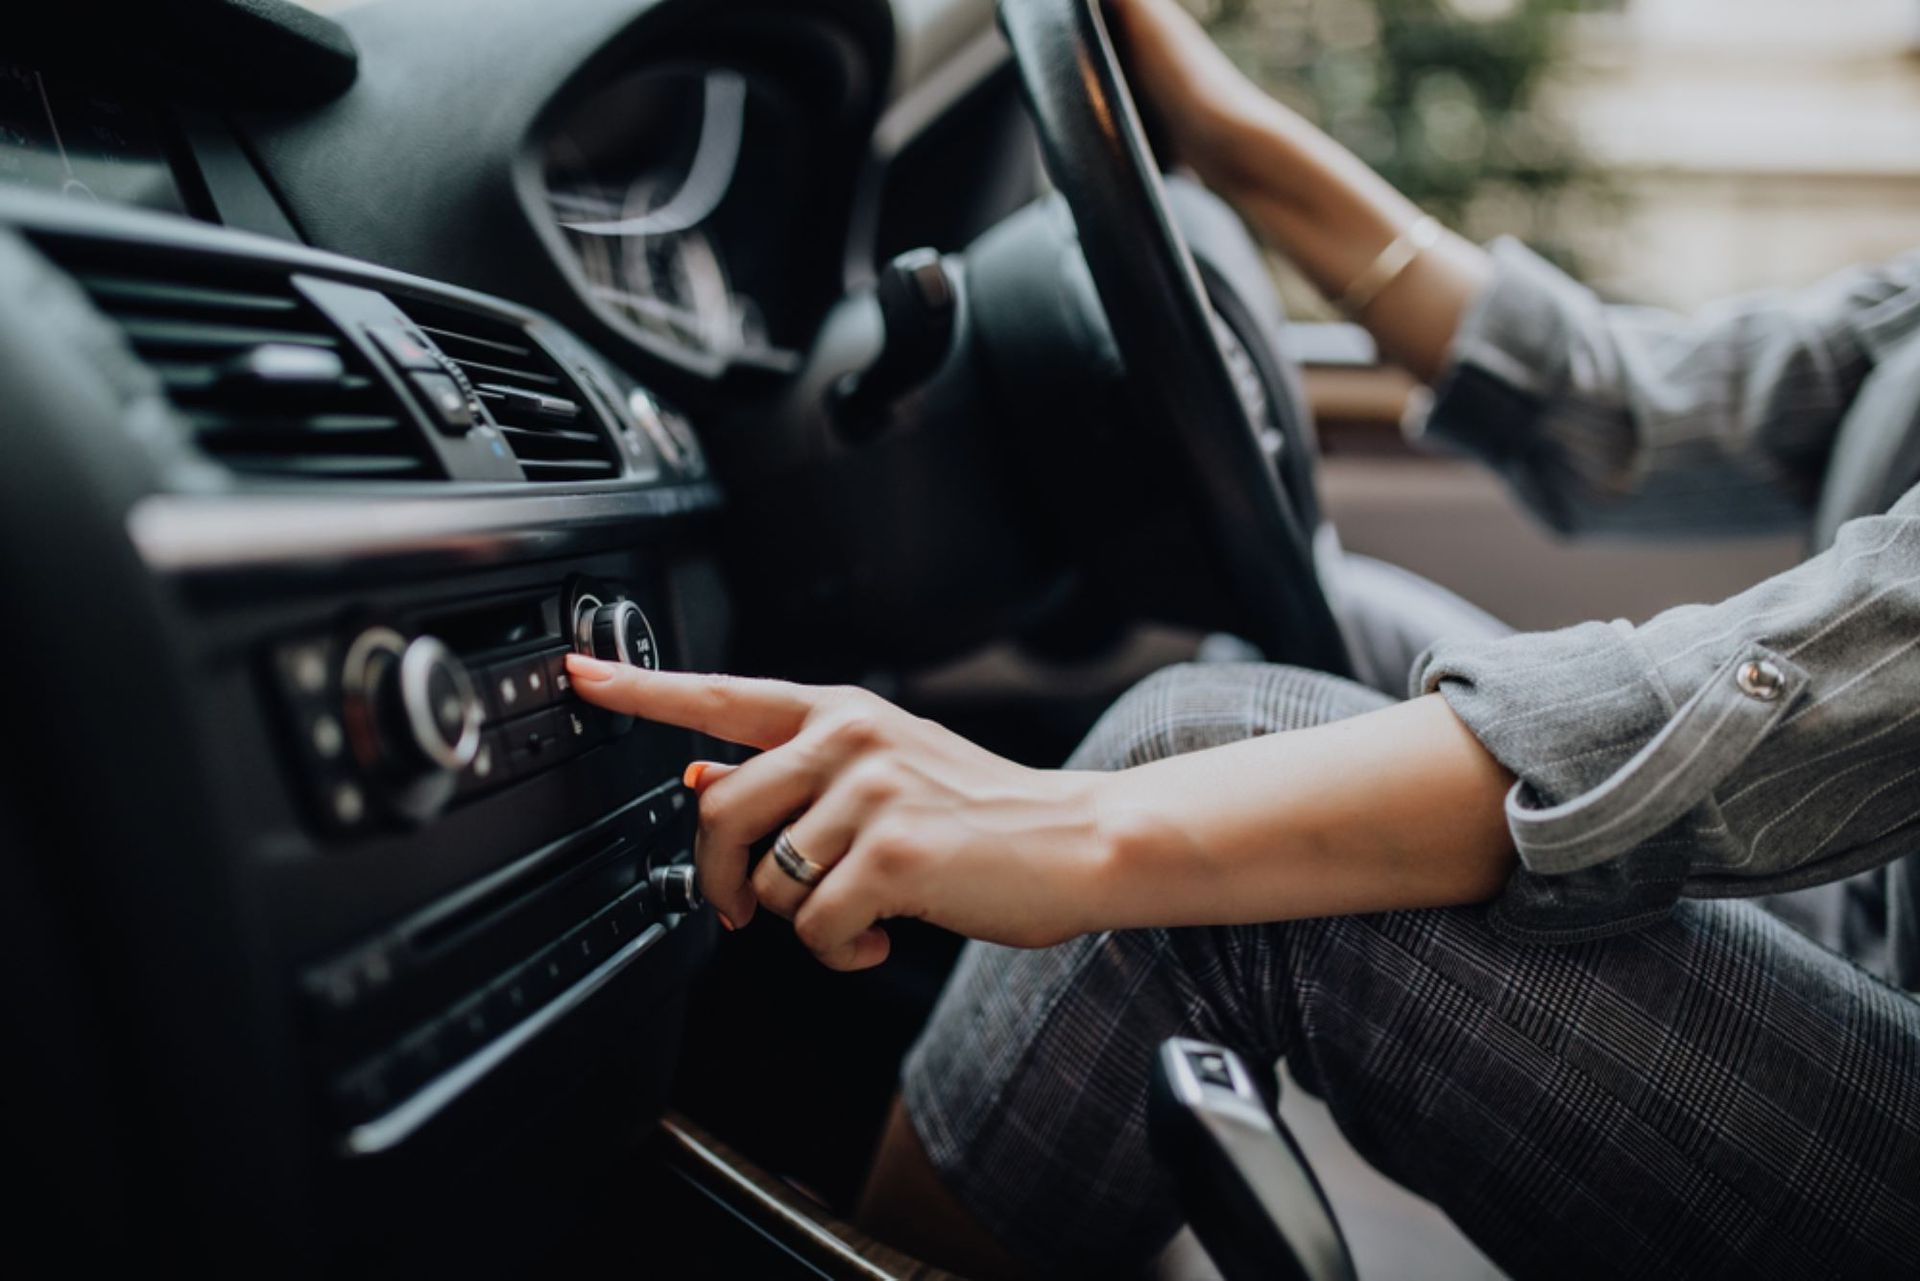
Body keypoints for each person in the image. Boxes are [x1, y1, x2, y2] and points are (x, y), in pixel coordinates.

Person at [563, 0, 1920, 1274]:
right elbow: (1616, 411)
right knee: (1344, 633)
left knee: (1196, 758)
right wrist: (1215, 122)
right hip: (1875, 911)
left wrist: (1075, 833)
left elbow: (1827, 686)